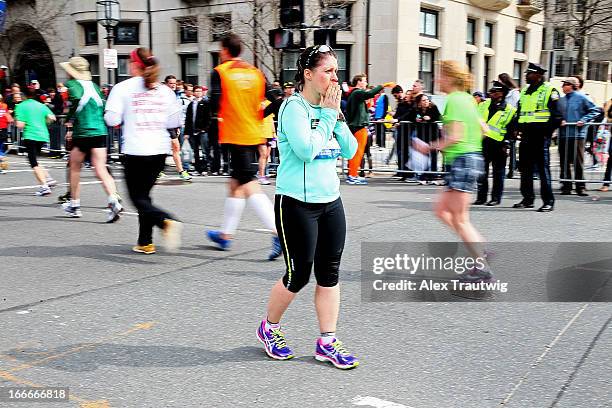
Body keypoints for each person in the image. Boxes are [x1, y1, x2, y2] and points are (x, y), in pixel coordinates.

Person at [256, 44, 359, 369]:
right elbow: (305, 151)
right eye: (328, 71)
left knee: (329, 273)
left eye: (336, 71)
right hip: (297, 203)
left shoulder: (329, 108)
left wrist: (336, 117)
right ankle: (268, 327)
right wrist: (328, 115)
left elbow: (351, 148)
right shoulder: (293, 108)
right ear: (308, 74)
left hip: (330, 201)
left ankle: (327, 340)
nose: (334, 77)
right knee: (298, 274)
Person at [205, 33, 282, 260]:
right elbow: (275, 99)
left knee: (249, 184)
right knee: (235, 184)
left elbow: (215, 102)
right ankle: (225, 235)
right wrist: (259, 114)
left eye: (220, 49)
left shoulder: (221, 72)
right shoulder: (255, 72)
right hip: (253, 132)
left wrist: (209, 119)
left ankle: (278, 233)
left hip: (234, 132)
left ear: (226, 50)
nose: (219, 53)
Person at [414, 60, 492, 283]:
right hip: (466, 159)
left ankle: (482, 267)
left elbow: (455, 136)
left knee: (459, 219)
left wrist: (428, 146)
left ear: (450, 77)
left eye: (440, 75)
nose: (437, 79)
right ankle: (478, 248)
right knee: (441, 211)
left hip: (463, 160)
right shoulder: (468, 99)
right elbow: (484, 129)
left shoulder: (455, 100)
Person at [104, 47, 183, 254]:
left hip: (136, 149)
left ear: (134, 65)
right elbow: (175, 120)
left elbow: (111, 119)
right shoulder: (165, 90)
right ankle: (145, 242)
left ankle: (165, 221)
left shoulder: (122, 88)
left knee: (136, 198)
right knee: (145, 196)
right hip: (159, 150)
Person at [58, 56, 123, 220]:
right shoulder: (95, 86)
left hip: (83, 132)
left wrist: (69, 122)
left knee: (74, 167)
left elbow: (72, 104)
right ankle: (114, 199)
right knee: (101, 168)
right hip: (99, 131)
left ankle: (74, 205)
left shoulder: (71, 85)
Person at [512, 62, 562, 212]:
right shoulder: (525, 91)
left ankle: (548, 201)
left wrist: (547, 133)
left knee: (542, 169)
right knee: (525, 169)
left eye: (530, 73)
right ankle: (528, 199)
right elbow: (520, 112)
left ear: (539, 75)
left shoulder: (550, 90)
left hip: (540, 136)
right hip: (526, 135)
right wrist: (516, 128)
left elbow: (557, 116)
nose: (526, 76)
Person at [345, 73, 394, 184]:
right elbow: (371, 93)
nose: (366, 83)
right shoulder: (357, 92)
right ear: (359, 82)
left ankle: (352, 174)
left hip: (356, 125)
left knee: (356, 152)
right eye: (364, 81)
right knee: (358, 152)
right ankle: (353, 175)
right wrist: (383, 85)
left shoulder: (354, 94)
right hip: (359, 126)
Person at [474, 81, 517, 206]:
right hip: (482, 141)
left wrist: (507, 143)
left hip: (499, 145)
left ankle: (495, 198)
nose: (490, 93)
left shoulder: (510, 110)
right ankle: (481, 197)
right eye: (490, 91)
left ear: (501, 94)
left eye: (493, 92)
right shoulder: (484, 104)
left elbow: (511, 130)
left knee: (498, 173)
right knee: (482, 172)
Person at [557, 76, 599, 196]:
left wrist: (583, 120)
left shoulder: (582, 97)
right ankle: (566, 186)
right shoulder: (562, 100)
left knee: (577, 162)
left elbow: (594, 110)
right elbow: (557, 114)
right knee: (564, 162)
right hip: (564, 135)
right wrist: (560, 120)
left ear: (572, 86)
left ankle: (580, 186)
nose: (563, 87)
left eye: (565, 84)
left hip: (577, 135)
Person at [14, 86, 57, 196]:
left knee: (33, 162)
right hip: (43, 135)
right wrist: (44, 122)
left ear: (24, 96)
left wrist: (17, 121)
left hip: (31, 135)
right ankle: (48, 178)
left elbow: (20, 125)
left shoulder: (20, 106)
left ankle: (44, 187)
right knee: (34, 159)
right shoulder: (41, 105)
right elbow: (52, 118)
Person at [161, 75, 191, 181]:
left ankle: (160, 170)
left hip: (172, 125)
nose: (173, 85)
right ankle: (181, 171)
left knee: (171, 148)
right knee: (175, 146)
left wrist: (177, 125)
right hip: (164, 125)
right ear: (166, 84)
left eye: (174, 83)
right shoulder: (163, 95)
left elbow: (175, 112)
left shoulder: (175, 95)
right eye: (171, 83)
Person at [184, 85, 211, 175]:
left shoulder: (206, 103)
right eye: (196, 91)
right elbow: (188, 119)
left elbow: (208, 118)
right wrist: (186, 132)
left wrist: (205, 129)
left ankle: (205, 169)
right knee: (195, 151)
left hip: (203, 131)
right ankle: (197, 169)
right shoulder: (191, 104)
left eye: (200, 91)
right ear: (193, 93)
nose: (198, 93)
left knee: (204, 151)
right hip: (192, 131)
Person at [0, 94, 14, 174]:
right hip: (3, 130)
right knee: (1, 148)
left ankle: (2, 165)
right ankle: (3, 165)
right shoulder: (4, 106)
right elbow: (10, 120)